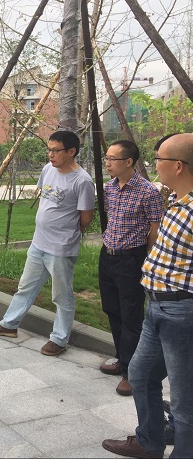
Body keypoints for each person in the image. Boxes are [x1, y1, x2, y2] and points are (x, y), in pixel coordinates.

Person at [102, 133, 193, 459]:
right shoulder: (178, 202)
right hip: (157, 306)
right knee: (140, 375)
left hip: (180, 310)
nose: (154, 165)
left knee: (184, 398)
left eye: (159, 159)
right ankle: (149, 441)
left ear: (178, 166)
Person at [0, 130, 95, 355]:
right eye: (49, 150)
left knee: (61, 296)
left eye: (56, 151)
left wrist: (65, 233)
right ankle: (9, 325)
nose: (50, 155)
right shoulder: (48, 170)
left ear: (71, 151)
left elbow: (86, 218)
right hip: (38, 243)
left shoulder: (82, 181)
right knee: (25, 287)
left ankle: (59, 339)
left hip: (61, 248)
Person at [98, 140, 164, 397]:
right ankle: (122, 359)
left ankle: (132, 372)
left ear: (128, 162)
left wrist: (148, 260)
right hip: (108, 256)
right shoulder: (109, 188)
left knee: (131, 315)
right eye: (106, 158)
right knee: (112, 309)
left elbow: (155, 229)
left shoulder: (148, 192)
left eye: (112, 159)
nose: (107, 163)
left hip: (131, 259)